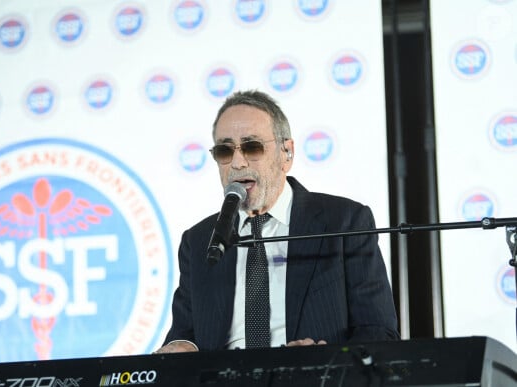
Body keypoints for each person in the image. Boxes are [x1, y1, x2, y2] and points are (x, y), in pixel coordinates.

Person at [156, 90, 399, 353]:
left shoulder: (344, 222)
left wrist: (324, 359)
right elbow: (184, 333)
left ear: (287, 153)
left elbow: (379, 332)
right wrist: (180, 346)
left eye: (252, 147)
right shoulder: (199, 240)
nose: (237, 163)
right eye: (225, 151)